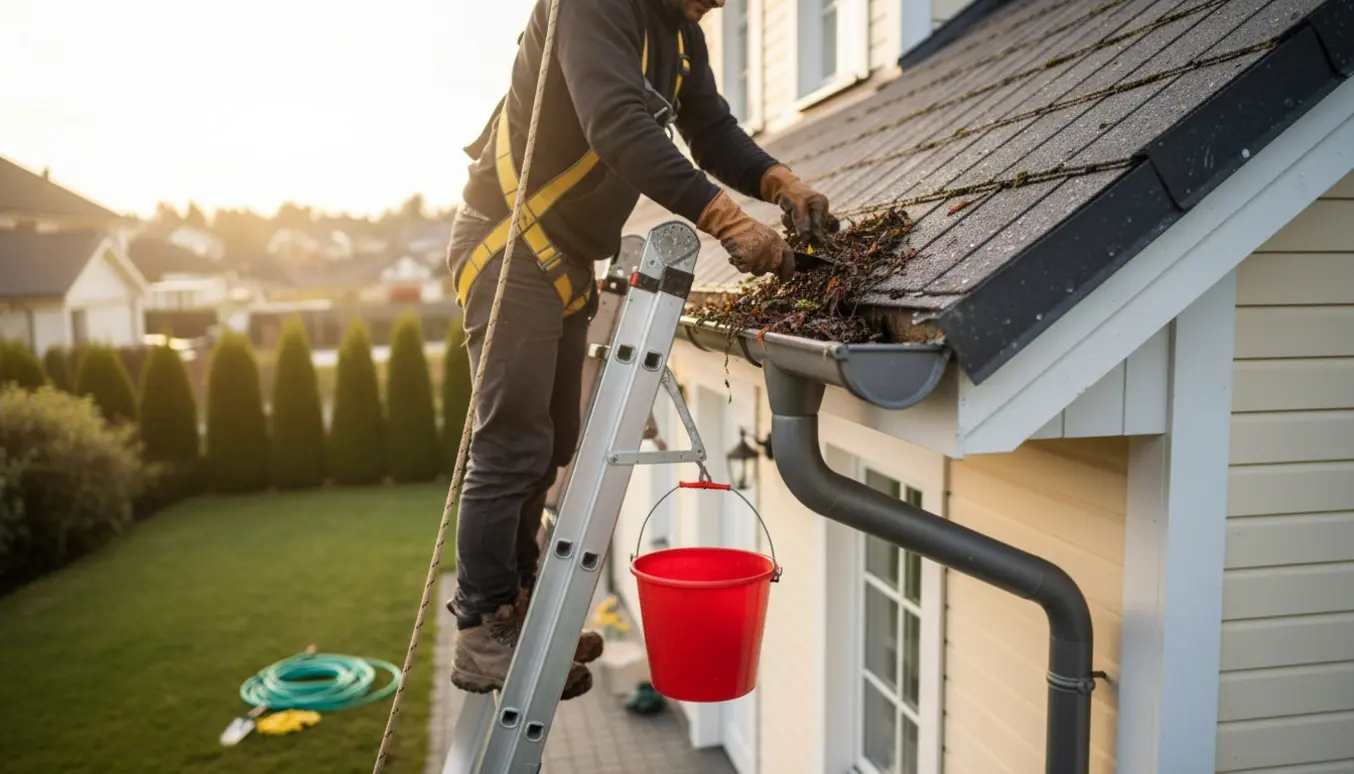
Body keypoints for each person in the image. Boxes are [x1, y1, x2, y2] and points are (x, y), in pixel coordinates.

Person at [443, 0, 833, 699]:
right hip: (509, 247)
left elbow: (710, 131)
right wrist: (724, 219)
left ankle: (518, 603)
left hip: (561, 258)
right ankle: (481, 628)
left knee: (553, 440)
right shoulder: (592, 7)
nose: (717, 4)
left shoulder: (678, 36)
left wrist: (781, 182)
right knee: (510, 444)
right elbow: (618, 124)